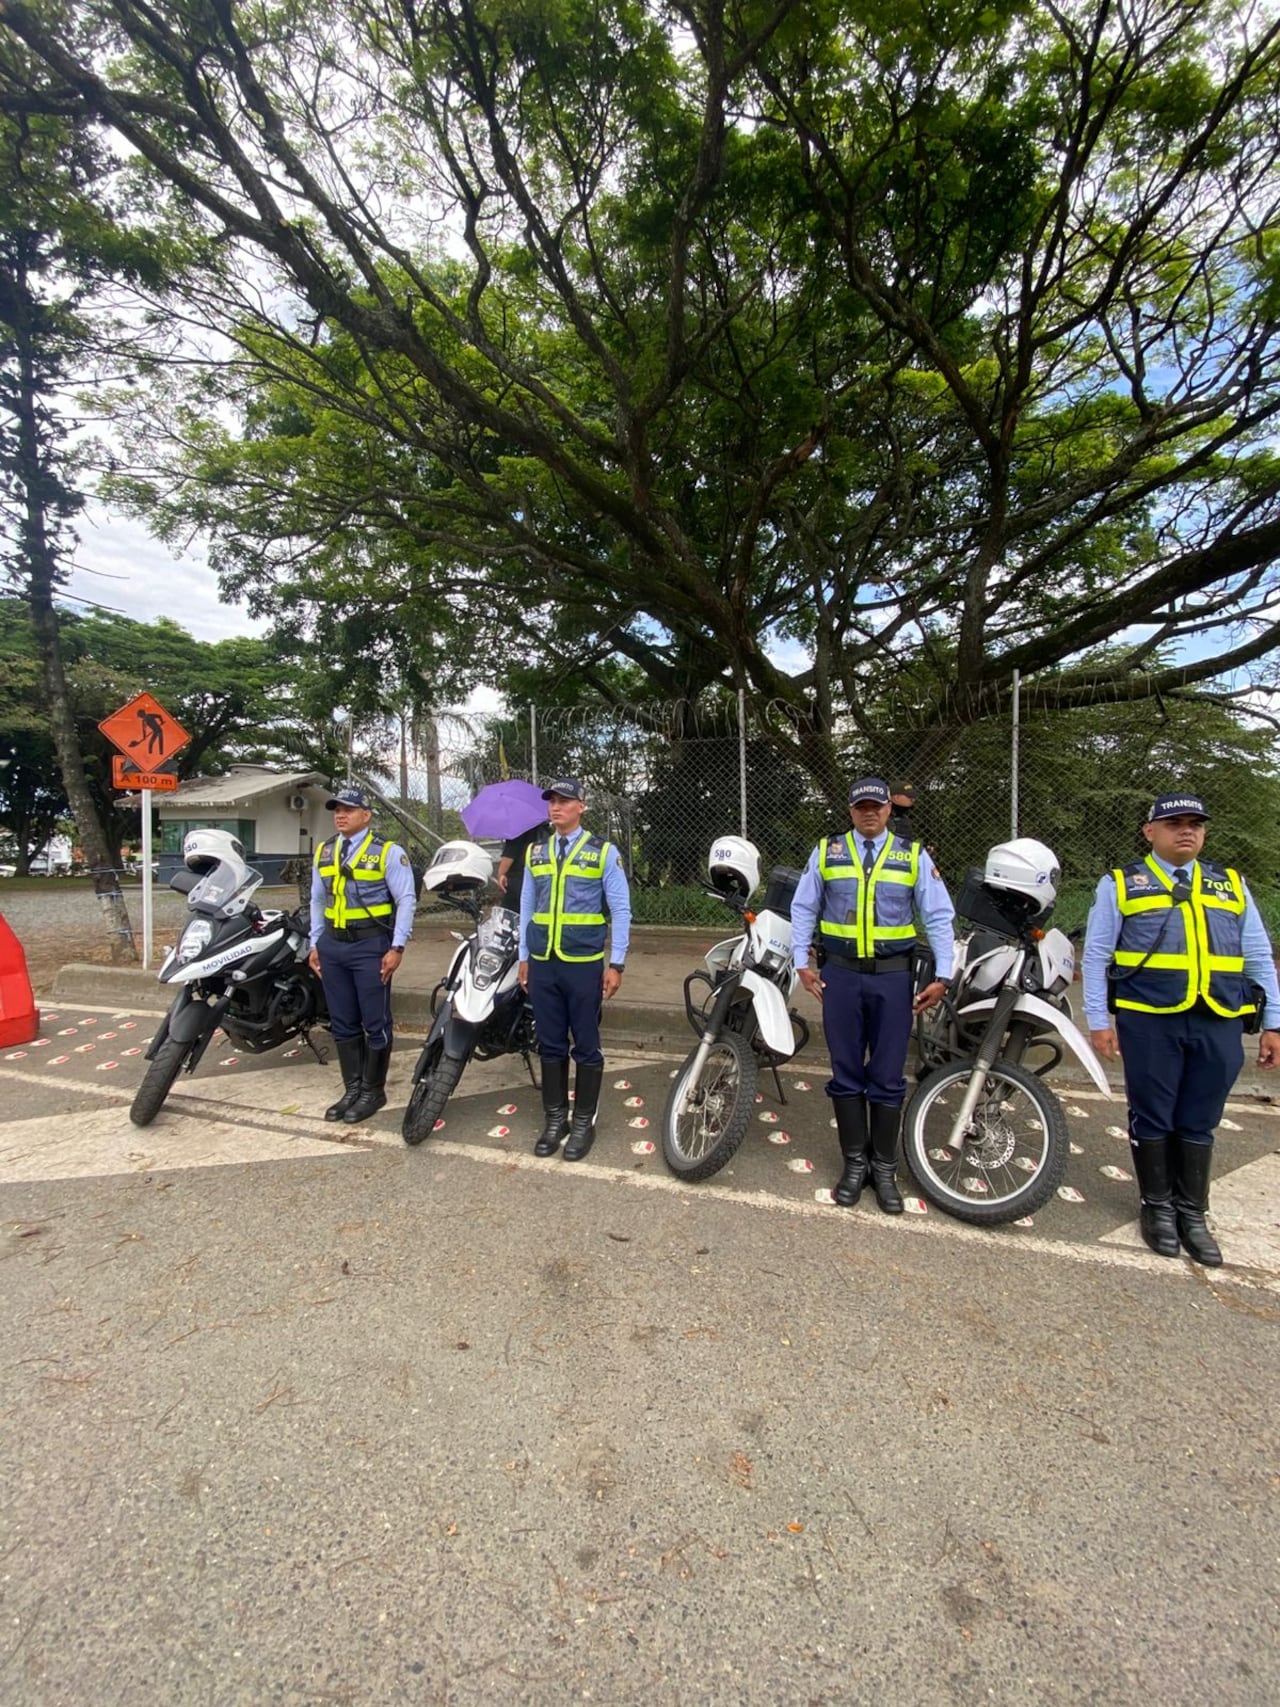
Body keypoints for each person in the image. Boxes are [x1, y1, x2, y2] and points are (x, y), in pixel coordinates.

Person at [1081, 791, 1280, 1265]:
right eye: (1174, 824)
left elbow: (1257, 955)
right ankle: (1157, 1209)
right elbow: (1096, 955)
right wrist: (1097, 1021)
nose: (1186, 830)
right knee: (1152, 1113)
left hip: (1218, 1019)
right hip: (1149, 1017)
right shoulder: (1121, 884)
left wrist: (1274, 1021)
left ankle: (1192, 1212)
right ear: (1150, 832)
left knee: (1200, 1117)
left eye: (1195, 823)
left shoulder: (1230, 885)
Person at [791, 776, 956, 1213]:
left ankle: (883, 1169)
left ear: (888, 811)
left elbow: (938, 915)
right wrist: (801, 963)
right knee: (845, 1072)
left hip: (892, 979)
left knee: (887, 1075)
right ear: (850, 810)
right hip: (840, 977)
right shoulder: (828, 851)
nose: (869, 813)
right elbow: (804, 907)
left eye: (876, 807)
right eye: (861, 806)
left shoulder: (912, 856)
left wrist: (944, 974)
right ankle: (853, 1165)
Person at [517, 778, 631, 1162]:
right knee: (549, 1043)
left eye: (565, 801)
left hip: (583, 965)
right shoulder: (536, 852)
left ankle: (583, 1121)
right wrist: (523, 957)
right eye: (551, 801)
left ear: (582, 806)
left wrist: (616, 963)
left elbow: (621, 910)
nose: (556, 807)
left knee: (585, 1044)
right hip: (543, 964)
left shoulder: (603, 852)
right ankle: (555, 1119)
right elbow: (528, 907)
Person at [309, 786, 417, 1125]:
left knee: (375, 1021)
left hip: (371, 946)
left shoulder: (387, 852)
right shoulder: (325, 851)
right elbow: (316, 899)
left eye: (349, 810)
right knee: (341, 1021)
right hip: (333, 946)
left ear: (366, 815)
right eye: (337, 810)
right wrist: (315, 943)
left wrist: (397, 947)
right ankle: (352, 1088)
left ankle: (373, 1089)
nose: (341, 815)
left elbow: (406, 900)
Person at [497, 818, 549, 901]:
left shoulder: (518, 830)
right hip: (540, 876)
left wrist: (500, 875)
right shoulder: (545, 828)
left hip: (518, 878)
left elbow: (509, 855)